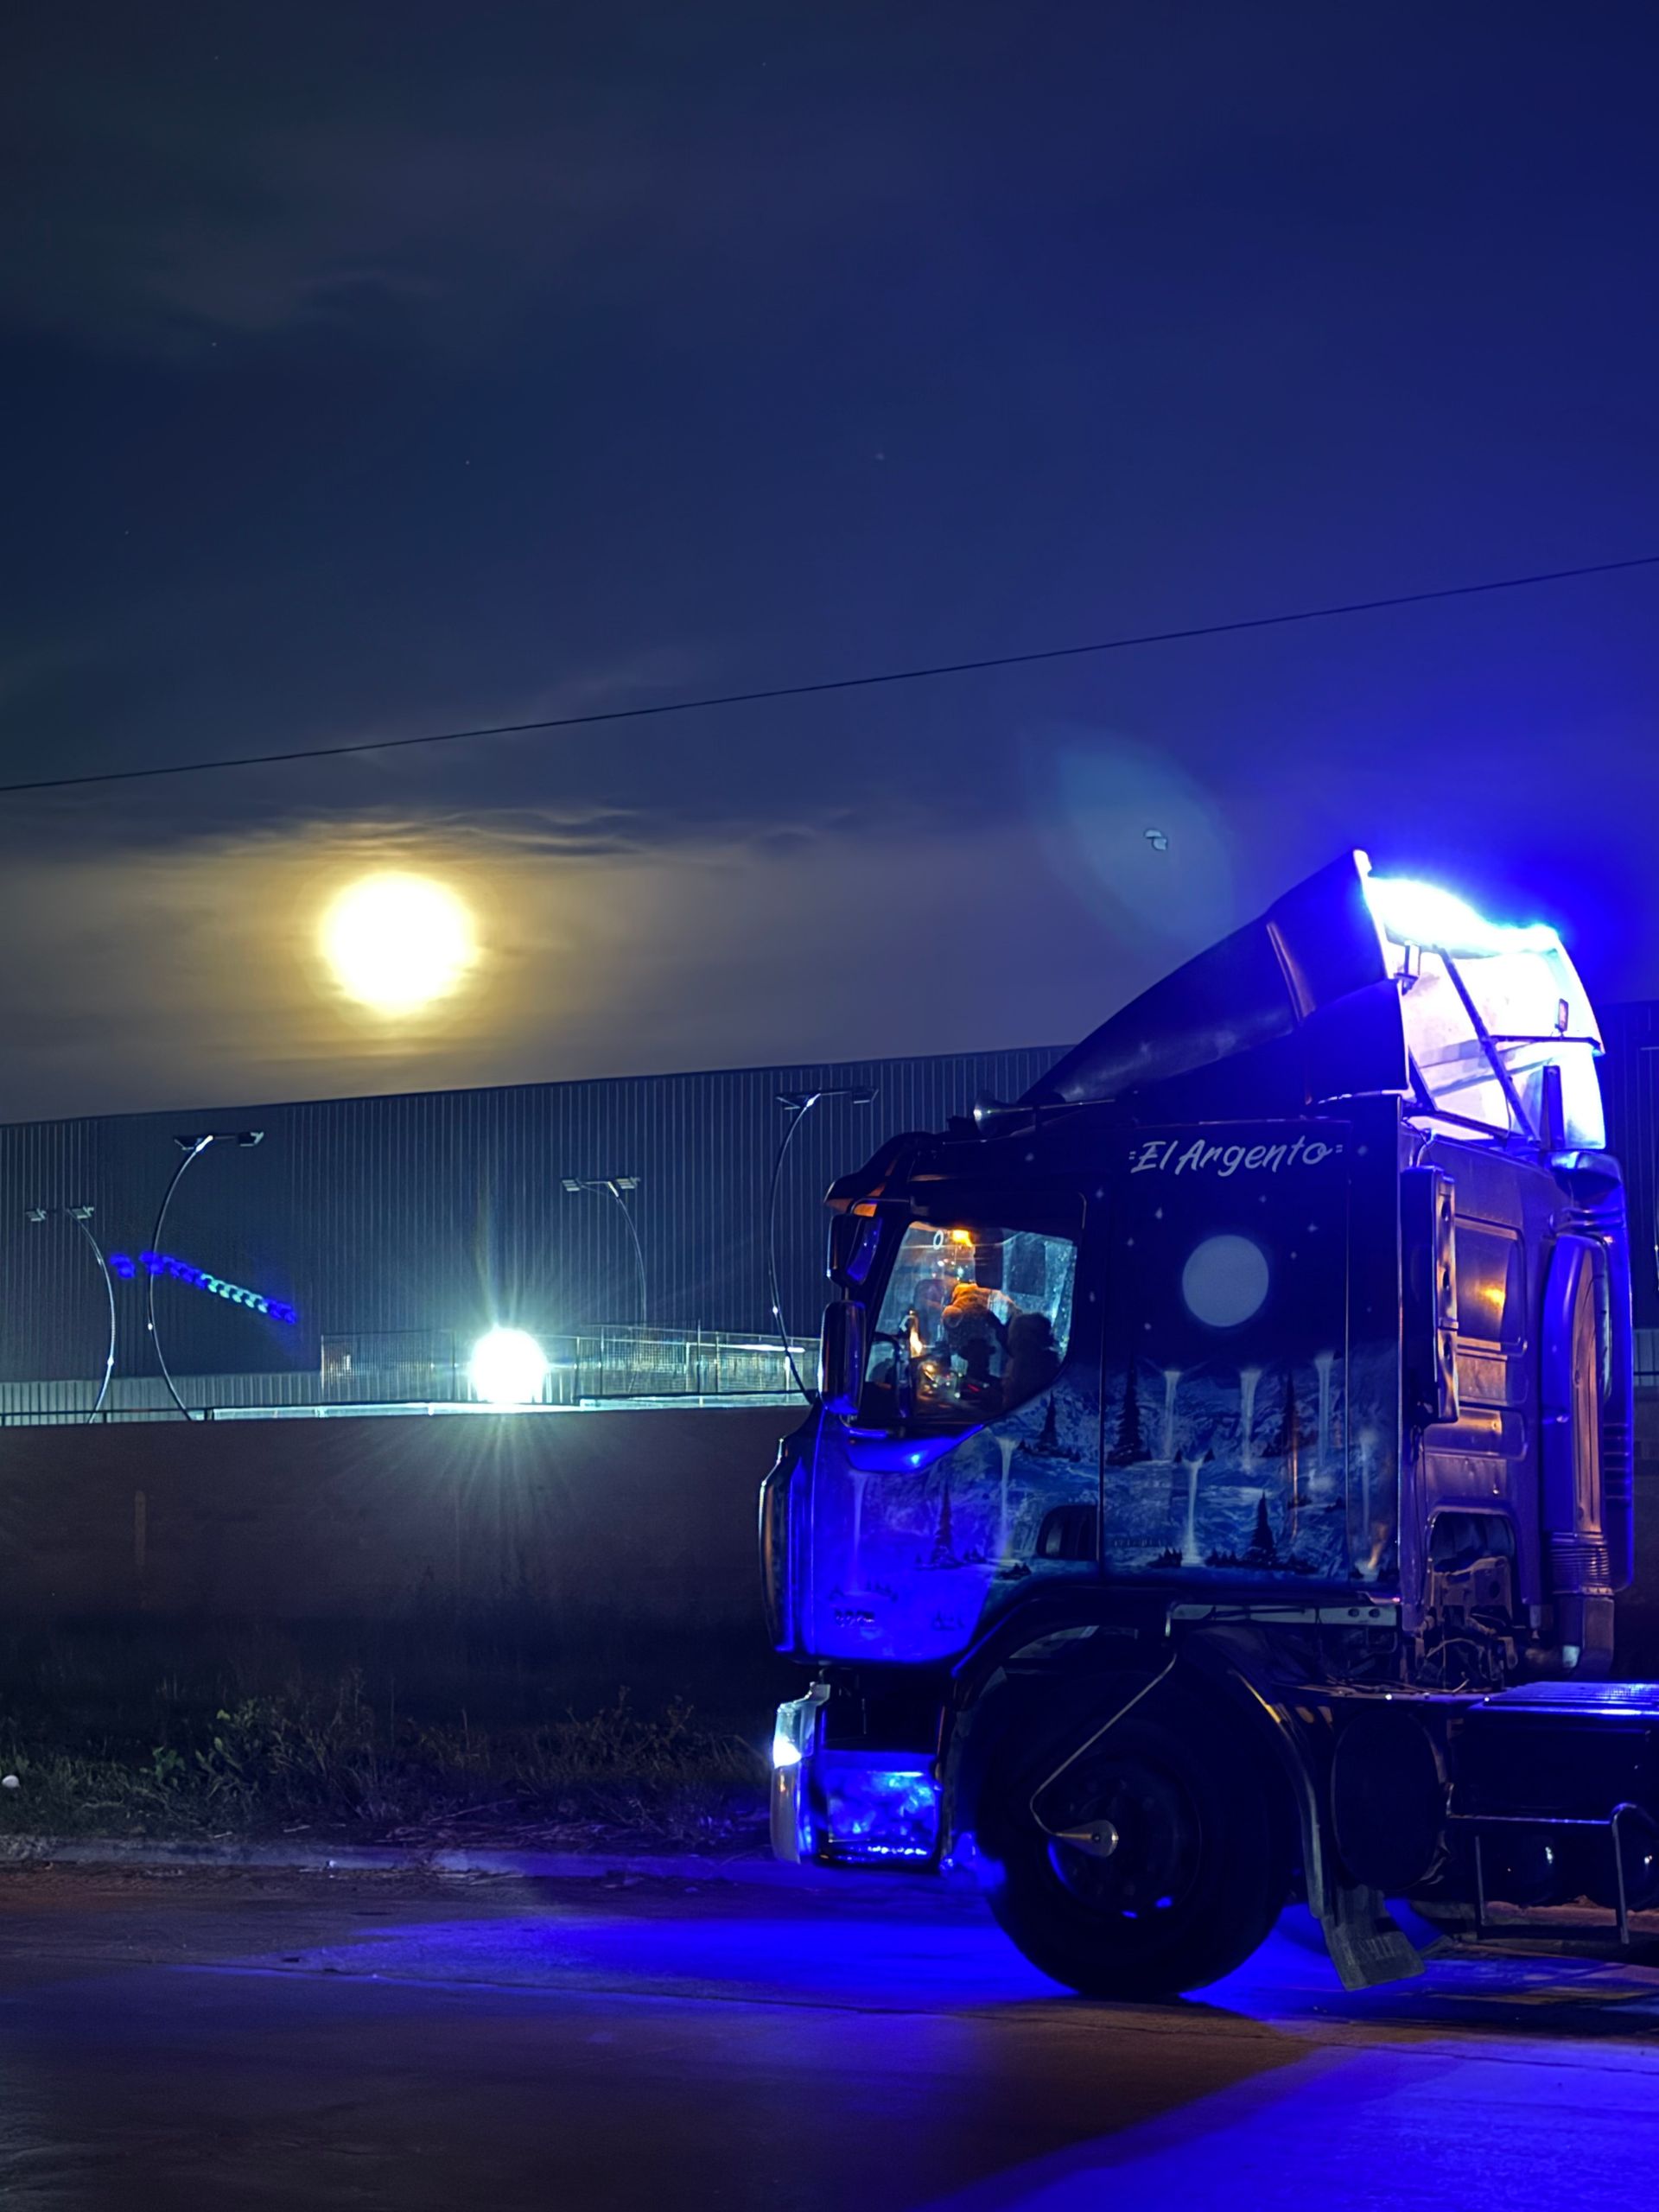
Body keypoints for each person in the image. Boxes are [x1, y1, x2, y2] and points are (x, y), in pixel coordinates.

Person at [1001, 1309, 1060, 1409]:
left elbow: (1013, 1401)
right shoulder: (1051, 1363)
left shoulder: (1025, 1365)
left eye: (1014, 1334)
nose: (1010, 1340)